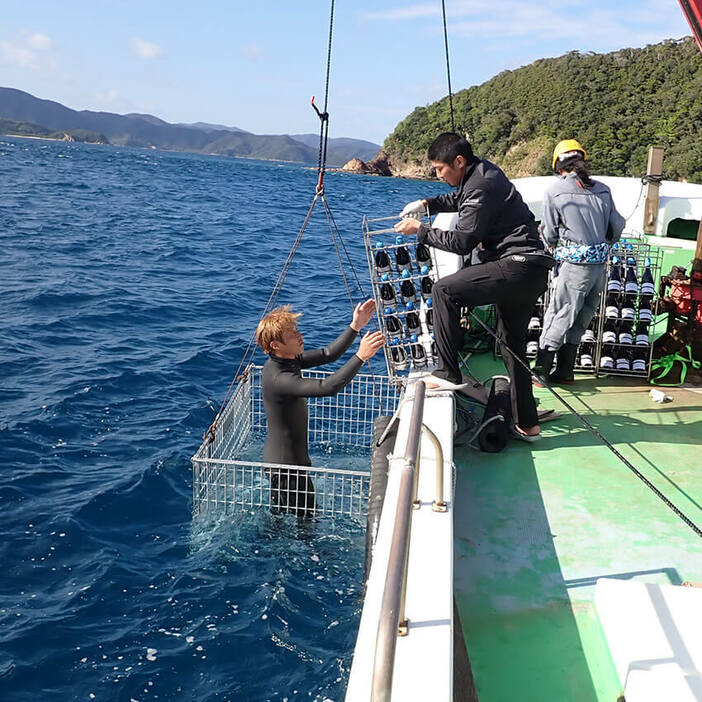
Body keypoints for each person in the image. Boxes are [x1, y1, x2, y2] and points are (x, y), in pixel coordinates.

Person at [394, 132, 553, 441]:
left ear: (459, 161)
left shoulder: (480, 184)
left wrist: (421, 231)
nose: (439, 175)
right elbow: (457, 199)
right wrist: (427, 203)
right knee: (512, 345)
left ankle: (447, 372)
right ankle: (527, 424)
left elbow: (463, 241)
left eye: (441, 169)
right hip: (532, 271)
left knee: (444, 290)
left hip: (515, 266)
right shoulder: (483, 173)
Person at [255, 300, 384, 516]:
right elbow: (328, 386)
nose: (299, 336)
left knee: (281, 516)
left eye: (296, 330)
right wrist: (361, 356)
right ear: (276, 345)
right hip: (287, 468)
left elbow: (327, 354)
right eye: (292, 334)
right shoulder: (279, 378)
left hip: (285, 462)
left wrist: (356, 326)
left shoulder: (286, 360)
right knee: (308, 519)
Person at [534, 139, 626, 383]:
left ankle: (540, 371)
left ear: (558, 165)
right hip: (599, 269)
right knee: (582, 316)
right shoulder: (603, 189)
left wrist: (557, 244)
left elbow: (549, 233)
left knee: (560, 314)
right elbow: (616, 226)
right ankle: (565, 371)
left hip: (575, 268)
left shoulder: (554, 191)